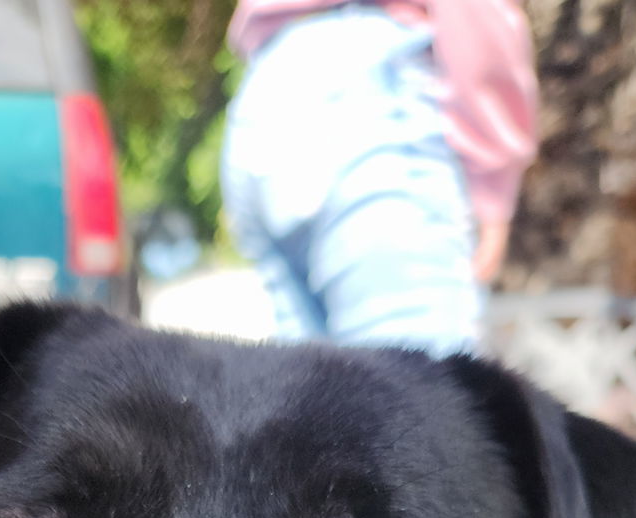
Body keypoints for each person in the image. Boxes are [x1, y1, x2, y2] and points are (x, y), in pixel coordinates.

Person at [221, 0, 537, 355]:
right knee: (419, 395)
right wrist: (493, 179)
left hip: (265, 88)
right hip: (367, 92)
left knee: (313, 401)